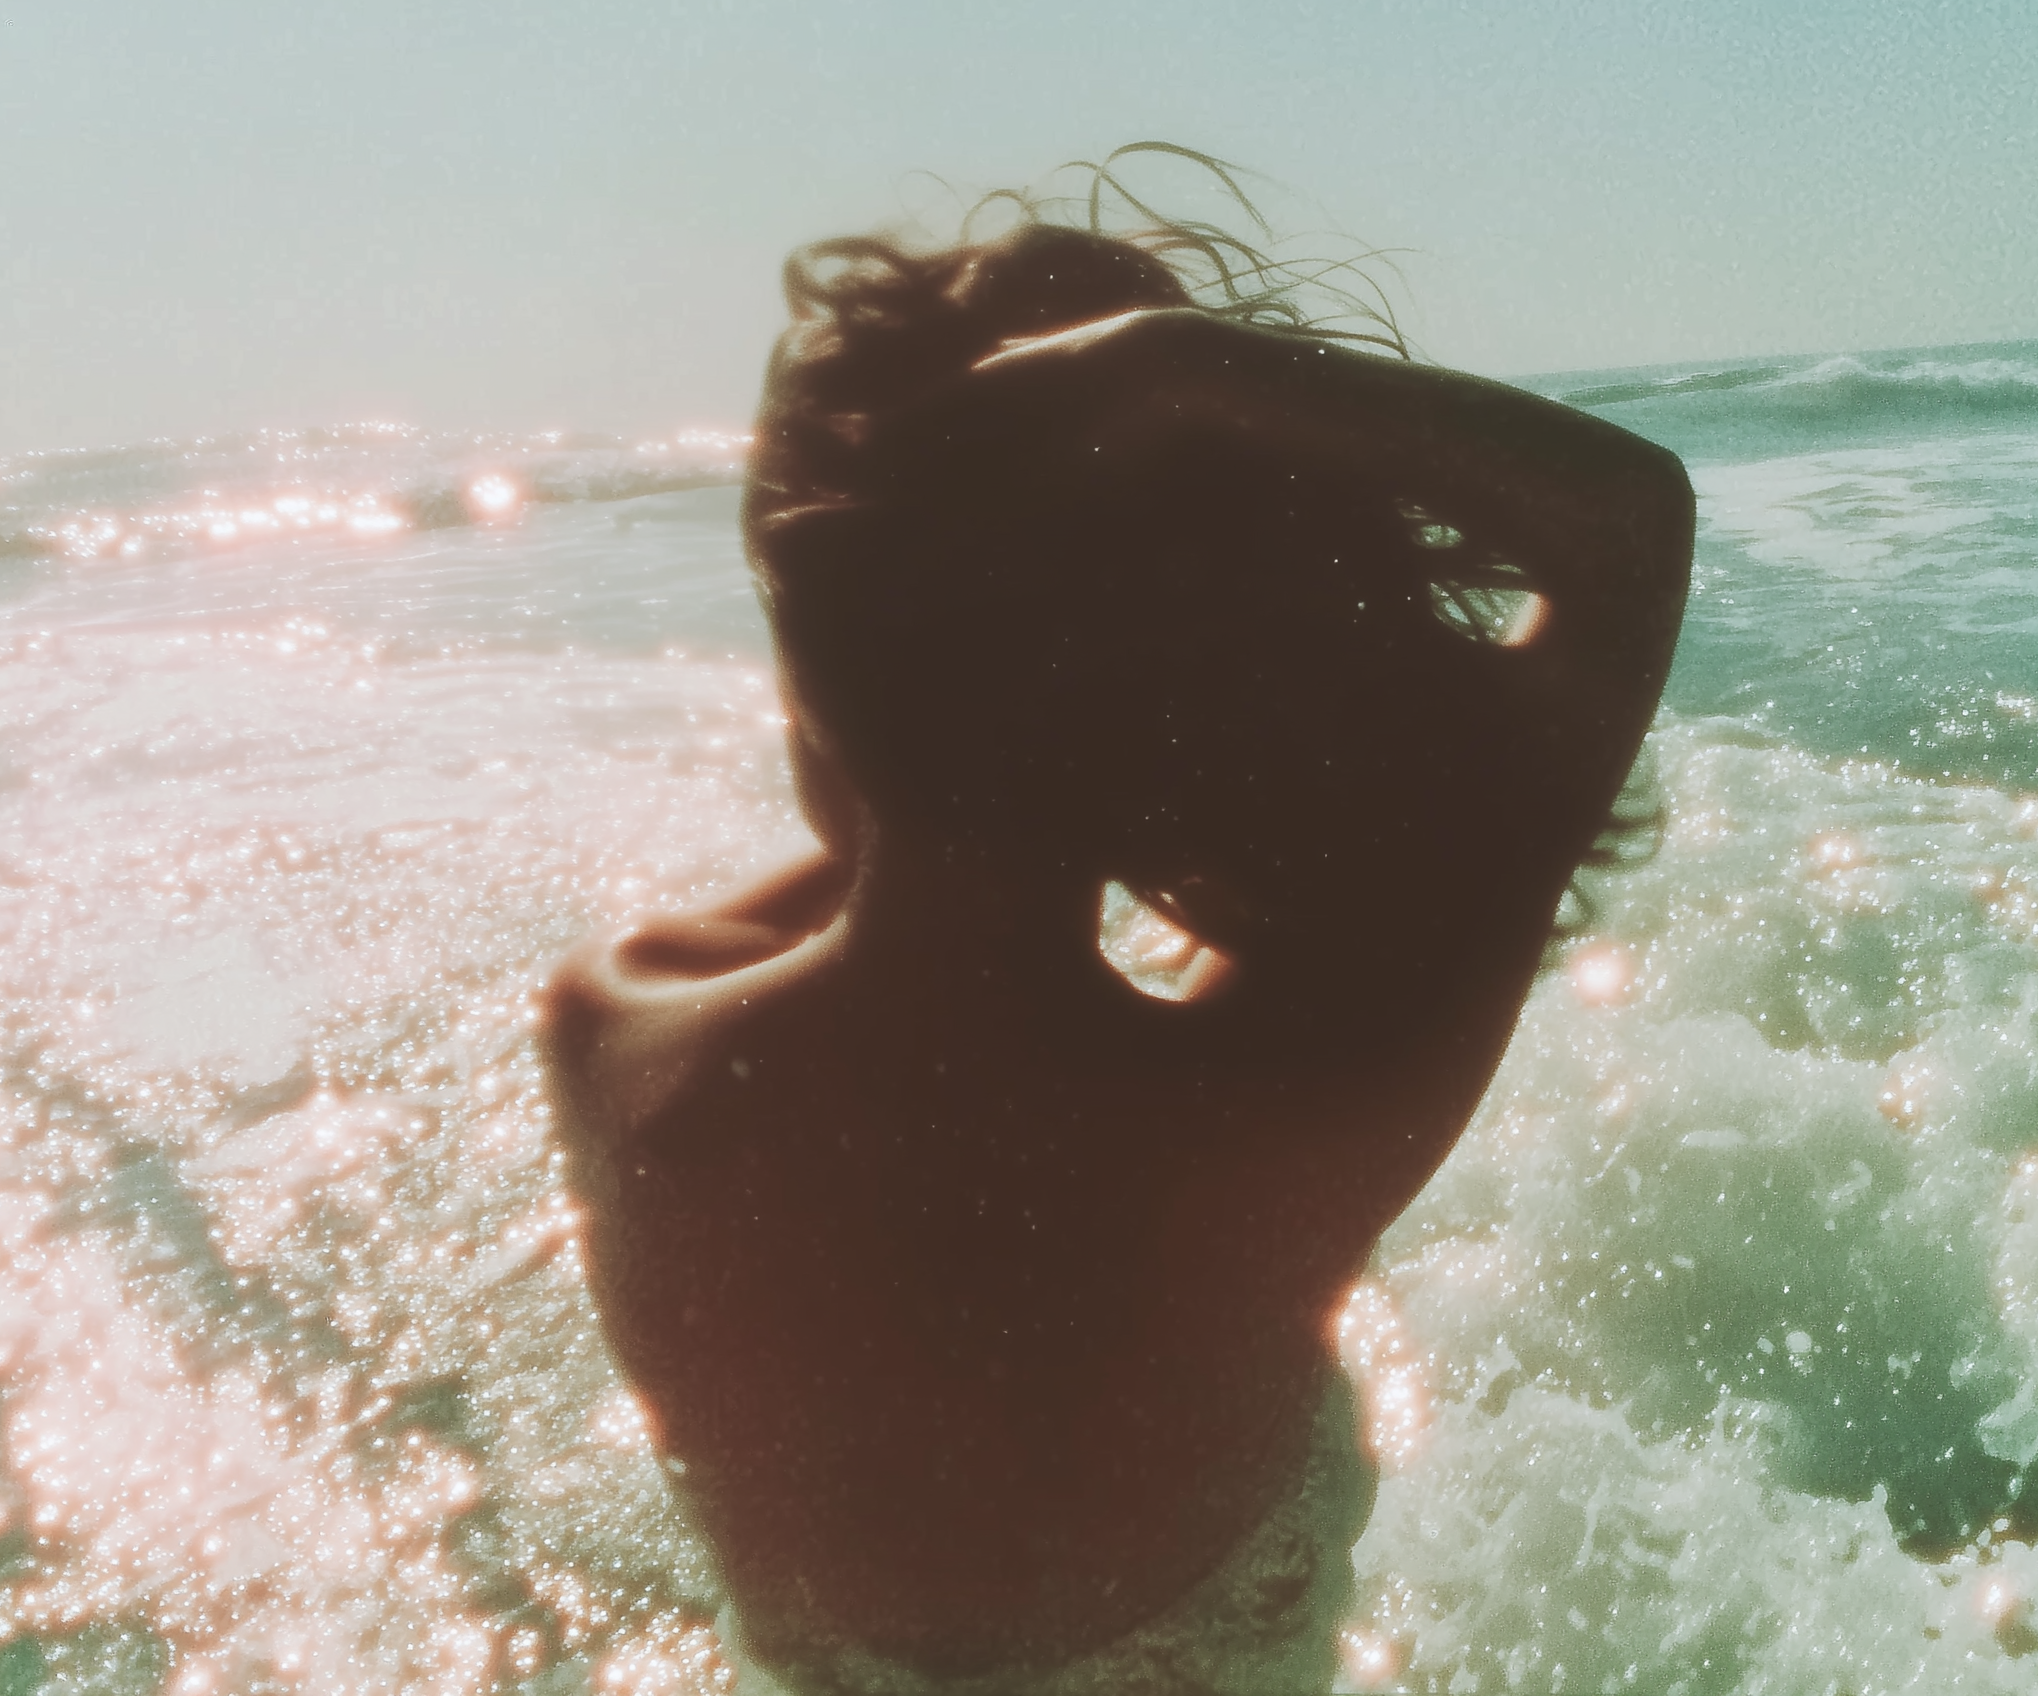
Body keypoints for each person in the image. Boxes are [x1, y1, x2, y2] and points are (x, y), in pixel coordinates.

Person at [543, 181, 1694, 1693]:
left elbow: (877, 833)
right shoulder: (1302, 1107)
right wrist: (1175, 372)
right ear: (1194, 700)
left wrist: (909, 681)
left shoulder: (624, 1045)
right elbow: (1630, 522)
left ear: (810, 624)